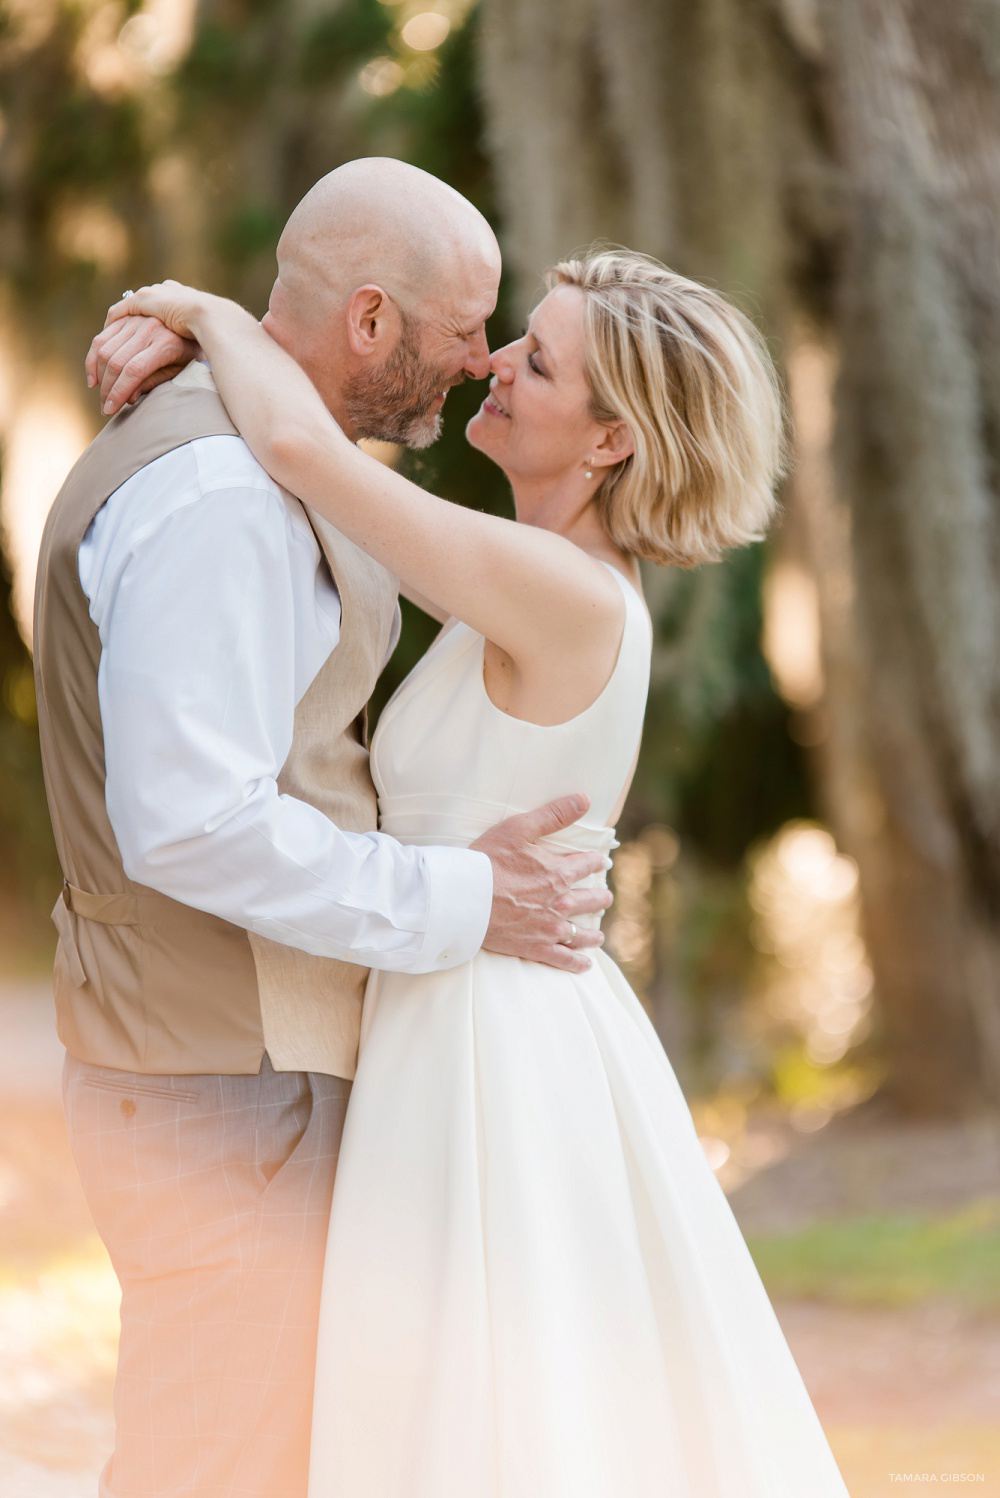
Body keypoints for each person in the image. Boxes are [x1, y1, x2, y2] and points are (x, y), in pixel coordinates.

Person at [94, 248, 853, 1497]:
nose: (495, 363)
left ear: (610, 443)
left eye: (538, 360)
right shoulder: (518, 579)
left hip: (489, 1035)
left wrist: (197, 310)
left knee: (489, 1405)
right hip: (452, 990)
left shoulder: (564, 590)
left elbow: (306, 459)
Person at [37, 158, 614, 1498]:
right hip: (232, 1091)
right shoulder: (225, 496)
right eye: (467, 324)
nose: (483, 359)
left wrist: (195, 312)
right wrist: (463, 899)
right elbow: (189, 823)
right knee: (215, 1468)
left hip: (233, 1079)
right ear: (369, 321)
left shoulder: (235, 450)